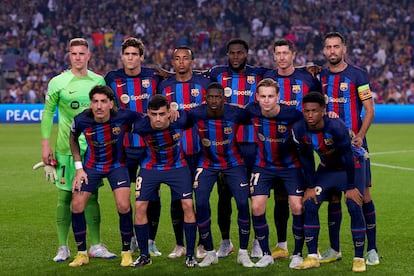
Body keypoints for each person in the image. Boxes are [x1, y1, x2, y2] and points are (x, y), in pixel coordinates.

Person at [40, 38, 115, 262]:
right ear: (69, 56)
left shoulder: (98, 80)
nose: (78, 57)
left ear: (88, 55)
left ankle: (96, 245)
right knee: (64, 197)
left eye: (82, 53)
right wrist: (45, 144)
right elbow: (47, 113)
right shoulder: (58, 82)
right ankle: (63, 247)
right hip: (65, 149)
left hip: (93, 149)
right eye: (74, 54)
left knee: (91, 197)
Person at [319, 32, 379, 266]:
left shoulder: (357, 75)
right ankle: (334, 249)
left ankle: (371, 249)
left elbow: (370, 109)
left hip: (354, 146)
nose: (332, 51)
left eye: (336, 46)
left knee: (362, 196)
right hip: (329, 149)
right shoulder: (320, 76)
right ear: (324, 51)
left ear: (344, 49)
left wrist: (361, 136)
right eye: (328, 47)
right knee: (333, 197)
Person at [206, 38, 268, 258]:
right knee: (224, 195)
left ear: (247, 53)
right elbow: (194, 74)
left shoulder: (259, 74)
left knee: (255, 195)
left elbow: (283, 70)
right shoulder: (217, 74)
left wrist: (305, 68)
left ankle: (257, 241)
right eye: (231, 53)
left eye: (239, 53)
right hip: (227, 146)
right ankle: (225, 241)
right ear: (227, 54)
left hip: (254, 146)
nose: (235, 56)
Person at [292, 91, 367, 272]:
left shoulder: (336, 127)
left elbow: (348, 157)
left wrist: (350, 187)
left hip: (352, 167)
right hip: (327, 168)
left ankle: (359, 258)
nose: (310, 115)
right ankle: (312, 257)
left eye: (314, 111)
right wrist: (310, 187)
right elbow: (306, 159)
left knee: (353, 204)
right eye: (307, 111)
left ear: (323, 111)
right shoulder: (300, 129)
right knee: (309, 202)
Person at [104, 37, 163, 257]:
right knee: (125, 198)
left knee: (153, 195)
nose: (130, 58)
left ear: (141, 57)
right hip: (123, 147)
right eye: (127, 54)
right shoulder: (111, 78)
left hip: (149, 147)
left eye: (134, 54)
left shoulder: (153, 76)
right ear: (122, 56)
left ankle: (150, 240)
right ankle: (129, 240)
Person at [263, 38, 321, 260]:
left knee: (303, 199)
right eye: (277, 53)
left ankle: (307, 249)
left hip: (301, 149)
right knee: (279, 198)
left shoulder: (307, 78)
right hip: (274, 148)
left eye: (285, 53)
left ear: (293, 54)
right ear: (274, 56)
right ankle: (282, 244)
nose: (281, 57)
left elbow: (318, 101)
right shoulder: (267, 78)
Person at [68, 85, 138, 267]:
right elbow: (73, 138)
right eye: (95, 102)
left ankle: (126, 252)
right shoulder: (82, 119)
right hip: (91, 167)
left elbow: (148, 122)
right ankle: (82, 253)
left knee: (123, 205)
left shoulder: (124, 116)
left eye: (103, 102)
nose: (99, 106)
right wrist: (79, 167)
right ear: (91, 103)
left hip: (117, 166)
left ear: (110, 103)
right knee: (76, 205)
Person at [188, 82, 254, 268]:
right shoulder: (196, 113)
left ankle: (243, 252)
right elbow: (178, 122)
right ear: (205, 99)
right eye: (211, 97)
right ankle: (209, 253)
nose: (214, 101)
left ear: (224, 99)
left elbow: (257, 116)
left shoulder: (236, 113)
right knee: (200, 203)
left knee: (242, 203)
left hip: (234, 163)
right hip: (207, 163)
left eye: (218, 97)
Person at [157, 46, 211, 259]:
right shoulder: (165, 86)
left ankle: (202, 244)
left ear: (192, 61)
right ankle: (179, 244)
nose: (181, 62)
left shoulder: (204, 84)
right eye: (177, 59)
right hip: (176, 152)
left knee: (201, 198)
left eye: (185, 58)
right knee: (177, 199)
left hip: (201, 151)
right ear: (172, 62)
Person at [245, 78, 305, 268]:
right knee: (256, 207)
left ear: (278, 97)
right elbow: (230, 111)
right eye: (263, 96)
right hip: (263, 166)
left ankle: (297, 253)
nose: (267, 100)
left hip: (290, 167)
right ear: (257, 97)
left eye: (271, 96)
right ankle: (266, 254)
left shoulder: (293, 115)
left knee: (297, 207)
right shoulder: (251, 110)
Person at [132, 95, 197, 268]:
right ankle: (144, 255)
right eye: (154, 114)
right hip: (150, 167)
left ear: (169, 112)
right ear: (148, 114)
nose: (158, 119)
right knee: (139, 206)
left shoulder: (181, 119)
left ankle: (190, 255)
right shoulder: (140, 124)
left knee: (188, 205)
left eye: (162, 114)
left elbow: (201, 113)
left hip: (177, 167)